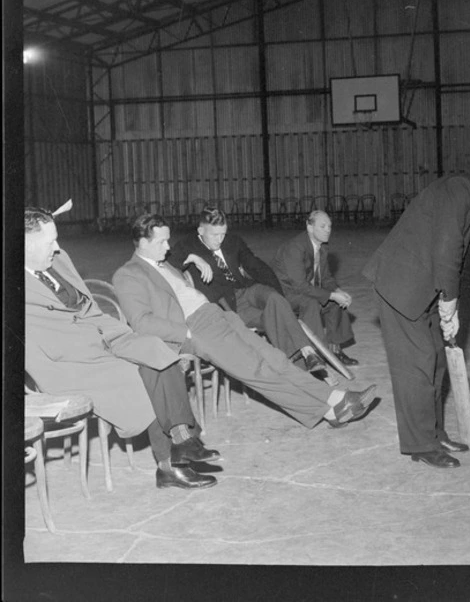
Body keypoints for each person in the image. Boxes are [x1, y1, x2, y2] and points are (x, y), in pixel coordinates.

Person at [112, 214, 377, 432]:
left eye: (168, 241)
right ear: (142, 242)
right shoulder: (128, 274)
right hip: (196, 328)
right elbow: (142, 322)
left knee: (275, 359)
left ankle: (332, 403)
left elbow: (179, 269)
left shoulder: (163, 263)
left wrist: (192, 259)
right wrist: (188, 333)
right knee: (257, 371)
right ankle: (332, 404)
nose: (168, 247)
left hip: (218, 315)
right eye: (161, 242)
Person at [24, 207, 221, 491]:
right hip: (66, 361)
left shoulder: (58, 260)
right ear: (25, 244)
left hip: (101, 335)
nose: (57, 247)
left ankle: (183, 439)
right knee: (138, 374)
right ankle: (170, 466)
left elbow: (89, 307)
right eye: (49, 242)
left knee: (154, 348)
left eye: (57, 239)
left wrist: (118, 334)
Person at [362, 144, 470, 468]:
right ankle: (420, 444)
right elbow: (447, 249)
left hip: (423, 284)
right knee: (418, 364)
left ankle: (434, 433)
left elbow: (452, 254)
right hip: (401, 285)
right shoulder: (461, 189)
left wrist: (445, 304)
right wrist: (449, 304)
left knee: (436, 359)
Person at [167, 206, 327, 377]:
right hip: (228, 304)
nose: (220, 239)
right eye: (215, 235)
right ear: (201, 230)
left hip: (247, 289)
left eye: (223, 233)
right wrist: (192, 258)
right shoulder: (187, 244)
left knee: (275, 299)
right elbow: (168, 266)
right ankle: (301, 365)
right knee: (272, 319)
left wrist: (280, 293)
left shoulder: (233, 241)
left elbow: (256, 265)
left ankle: (307, 352)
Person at [272, 210, 359, 367]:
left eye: (329, 226)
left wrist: (338, 292)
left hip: (304, 291)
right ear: (309, 227)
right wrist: (331, 295)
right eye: (323, 226)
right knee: (312, 302)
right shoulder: (295, 248)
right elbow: (300, 286)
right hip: (286, 294)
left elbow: (326, 278)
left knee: (335, 303)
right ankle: (315, 354)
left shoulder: (322, 247)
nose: (328, 230)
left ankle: (334, 351)